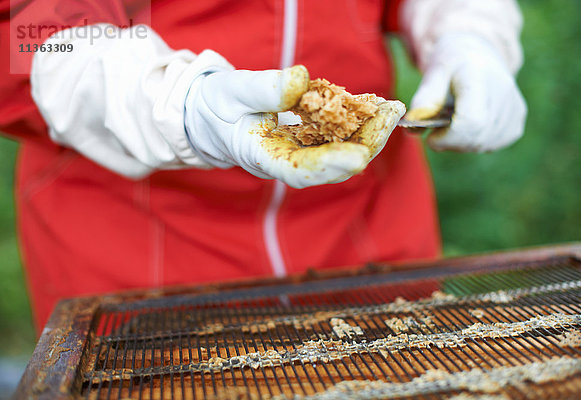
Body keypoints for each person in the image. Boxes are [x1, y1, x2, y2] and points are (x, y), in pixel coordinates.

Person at [0, 0, 526, 332]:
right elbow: (27, 30)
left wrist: (470, 35)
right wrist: (179, 102)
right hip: (137, 254)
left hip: (366, 234)